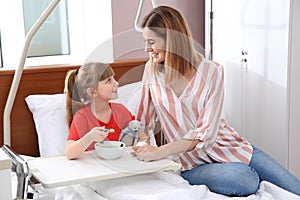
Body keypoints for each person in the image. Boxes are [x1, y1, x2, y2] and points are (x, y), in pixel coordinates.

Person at [131, 6, 300, 196]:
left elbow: (206, 133)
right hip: (191, 163)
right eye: (146, 42)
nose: (147, 49)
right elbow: (143, 123)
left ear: (172, 41)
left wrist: (159, 151)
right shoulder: (151, 71)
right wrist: (143, 145)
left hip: (231, 147)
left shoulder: (212, 71)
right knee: (246, 179)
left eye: (152, 42)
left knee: (294, 187)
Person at [64, 62, 147, 159]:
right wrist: (89, 137)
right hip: (94, 169)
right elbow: (69, 153)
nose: (116, 83)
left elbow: (142, 136)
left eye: (114, 78)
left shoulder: (121, 111)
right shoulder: (82, 117)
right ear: (92, 92)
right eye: (108, 81)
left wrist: (141, 145)